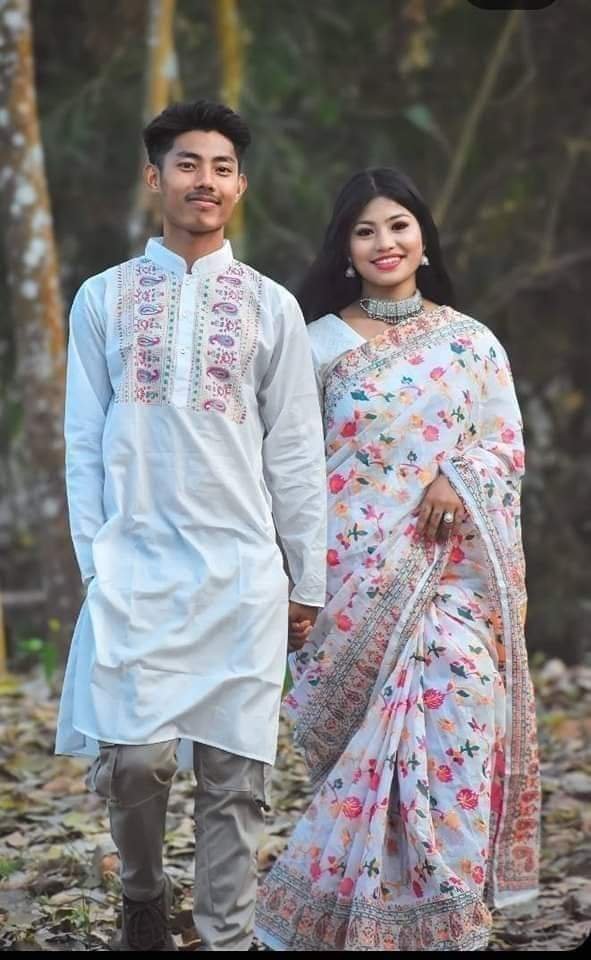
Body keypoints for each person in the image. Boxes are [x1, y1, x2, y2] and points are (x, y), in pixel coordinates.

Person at [55, 99, 327, 952]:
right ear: (155, 177)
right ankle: (142, 891)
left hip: (241, 570)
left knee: (235, 781)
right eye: (186, 164)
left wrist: (306, 577)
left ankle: (225, 938)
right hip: (134, 568)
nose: (203, 180)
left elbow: (295, 449)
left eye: (220, 168)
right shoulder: (103, 299)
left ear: (240, 187)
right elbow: (82, 441)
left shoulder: (270, 306)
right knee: (136, 763)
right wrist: (95, 563)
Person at [255, 168, 540, 952]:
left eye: (398, 225)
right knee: (361, 759)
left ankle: (447, 917)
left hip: (448, 582)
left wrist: (458, 475)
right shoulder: (315, 344)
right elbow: (284, 463)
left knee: (457, 707)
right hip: (345, 584)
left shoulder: (470, 342)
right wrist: (291, 577)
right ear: (343, 249)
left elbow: (503, 446)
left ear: (423, 237)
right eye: (365, 230)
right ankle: (346, 919)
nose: (384, 243)